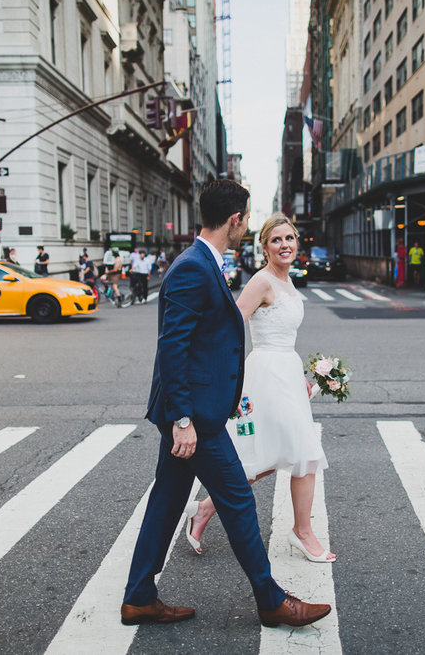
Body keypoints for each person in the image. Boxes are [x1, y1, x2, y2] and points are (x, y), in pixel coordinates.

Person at [122, 179, 331, 629]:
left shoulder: (205, 262)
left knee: (167, 499)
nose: (248, 226)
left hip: (201, 408)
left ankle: (139, 596)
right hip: (193, 416)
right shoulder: (192, 266)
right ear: (235, 220)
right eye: (248, 219)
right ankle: (272, 600)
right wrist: (181, 419)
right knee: (237, 499)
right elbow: (172, 347)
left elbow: (207, 342)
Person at [186, 214, 335, 564]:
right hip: (265, 376)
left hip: (287, 373)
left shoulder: (288, 282)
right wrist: (226, 377)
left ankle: (204, 509)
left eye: (290, 238)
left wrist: (303, 375)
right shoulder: (262, 282)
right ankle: (302, 532)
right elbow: (231, 325)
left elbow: (286, 335)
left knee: (271, 455)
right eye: (276, 240)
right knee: (303, 452)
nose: (285, 245)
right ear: (265, 246)